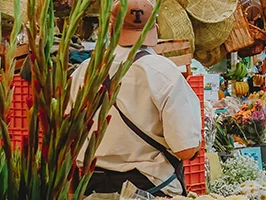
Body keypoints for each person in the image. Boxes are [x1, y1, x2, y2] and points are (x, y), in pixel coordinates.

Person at [72, 0, 201, 197]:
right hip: (149, 188)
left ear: (111, 28)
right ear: (155, 30)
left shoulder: (84, 71)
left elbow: (67, 134)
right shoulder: (165, 73)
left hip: (92, 187)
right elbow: (186, 149)